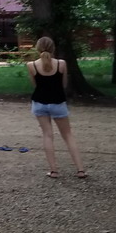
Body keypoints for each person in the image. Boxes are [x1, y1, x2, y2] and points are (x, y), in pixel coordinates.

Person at [27, 36, 87, 178]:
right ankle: (80, 169)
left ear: (37, 48)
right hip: (58, 102)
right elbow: (64, 84)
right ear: (53, 48)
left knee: (47, 135)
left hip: (40, 103)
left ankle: (53, 170)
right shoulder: (61, 64)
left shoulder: (31, 65)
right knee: (68, 135)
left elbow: (35, 85)